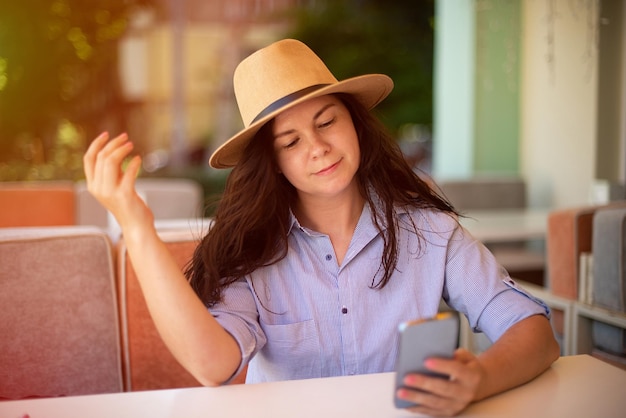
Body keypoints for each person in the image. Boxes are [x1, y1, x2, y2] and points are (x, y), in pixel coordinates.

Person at [83, 39, 559, 416]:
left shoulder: (429, 230)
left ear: (355, 123)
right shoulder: (250, 252)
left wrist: (479, 378)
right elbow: (213, 366)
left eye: (327, 121)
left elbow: (534, 330)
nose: (318, 147)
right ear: (273, 164)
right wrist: (137, 226)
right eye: (290, 142)